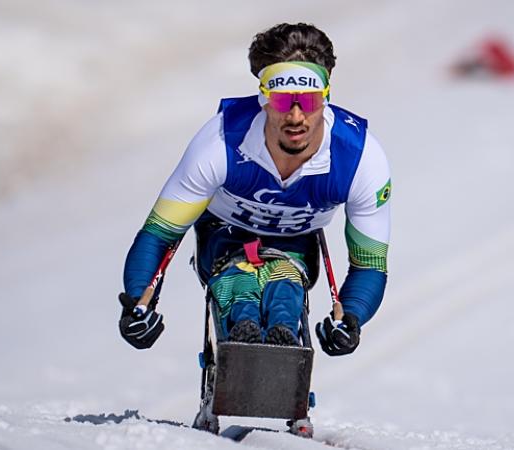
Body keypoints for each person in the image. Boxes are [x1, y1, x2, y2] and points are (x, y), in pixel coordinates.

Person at [118, 22, 391, 356]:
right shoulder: (218, 142)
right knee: (238, 282)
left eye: (306, 101)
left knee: (284, 289)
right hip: (223, 235)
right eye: (281, 102)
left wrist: (350, 319)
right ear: (263, 100)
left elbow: (370, 265)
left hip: (295, 246)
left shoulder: (362, 158)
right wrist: (137, 302)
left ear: (325, 99)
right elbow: (159, 234)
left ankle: (279, 342)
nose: (295, 117)